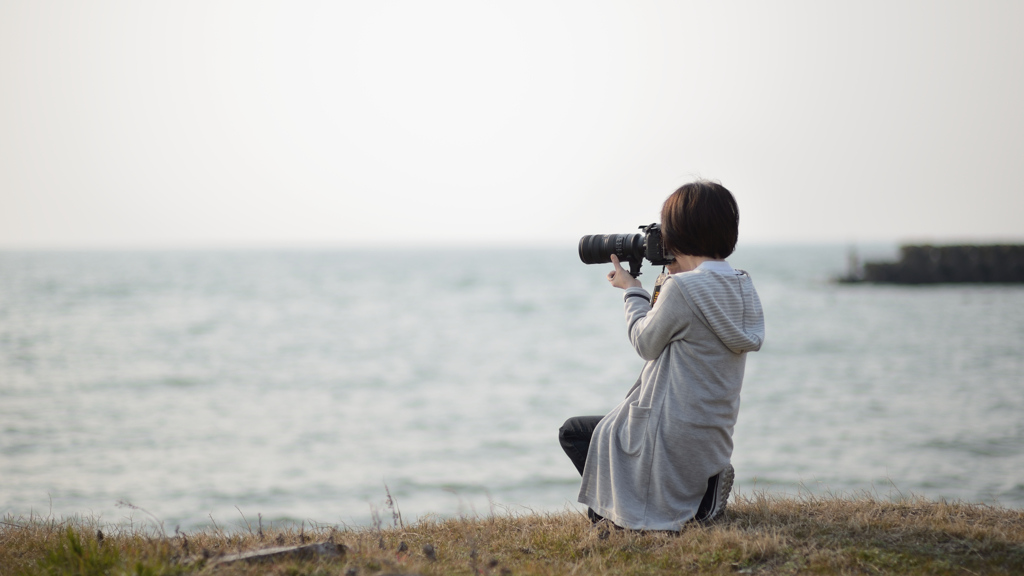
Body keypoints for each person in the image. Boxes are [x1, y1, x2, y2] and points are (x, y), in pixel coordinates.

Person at [559, 180, 765, 531]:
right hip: (709, 443)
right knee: (604, 431)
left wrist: (632, 291)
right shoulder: (742, 284)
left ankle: (630, 517)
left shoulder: (682, 289)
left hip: (669, 440)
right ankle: (701, 491)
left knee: (576, 433)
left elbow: (645, 343)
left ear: (679, 234)